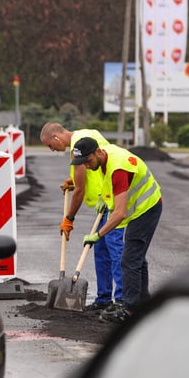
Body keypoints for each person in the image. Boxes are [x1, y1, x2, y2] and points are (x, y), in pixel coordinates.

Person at [72, 137, 163, 324]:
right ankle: (142, 304)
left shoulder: (118, 169)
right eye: (83, 163)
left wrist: (98, 235)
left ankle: (129, 311)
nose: (86, 166)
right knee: (137, 258)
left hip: (147, 207)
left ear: (98, 152)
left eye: (88, 161)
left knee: (130, 260)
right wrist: (103, 198)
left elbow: (120, 213)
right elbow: (111, 188)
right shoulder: (104, 157)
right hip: (139, 209)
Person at [40, 122, 124, 312]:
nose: (52, 150)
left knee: (114, 249)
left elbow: (80, 190)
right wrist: (75, 178)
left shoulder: (77, 148)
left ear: (56, 137)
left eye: (50, 145)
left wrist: (69, 219)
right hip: (105, 200)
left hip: (112, 200)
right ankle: (104, 299)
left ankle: (121, 300)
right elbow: (95, 167)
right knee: (101, 250)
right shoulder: (88, 133)